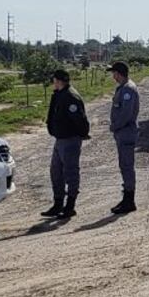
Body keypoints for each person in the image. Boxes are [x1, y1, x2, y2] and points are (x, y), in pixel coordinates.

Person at [41, 69, 90, 219]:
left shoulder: (70, 97)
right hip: (60, 139)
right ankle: (58, 204)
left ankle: (70, 206)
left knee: (70, 172)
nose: (52, 83)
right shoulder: (60, 94)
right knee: (55, 172)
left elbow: (80, 120)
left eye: (54, 80)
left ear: (58, 81)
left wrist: (81, 135)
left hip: (70, 140)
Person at [107, 61, 140, 214]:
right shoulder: (123, 88)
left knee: (127, 166)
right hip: (123, 132)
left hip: (126, 131)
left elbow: (126, 114)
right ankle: (126, 198)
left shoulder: (128, 89)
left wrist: (115, 126)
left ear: (118, 73)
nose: (113, 76)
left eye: (114, 73)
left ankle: (129, 200)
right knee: (124, 165)